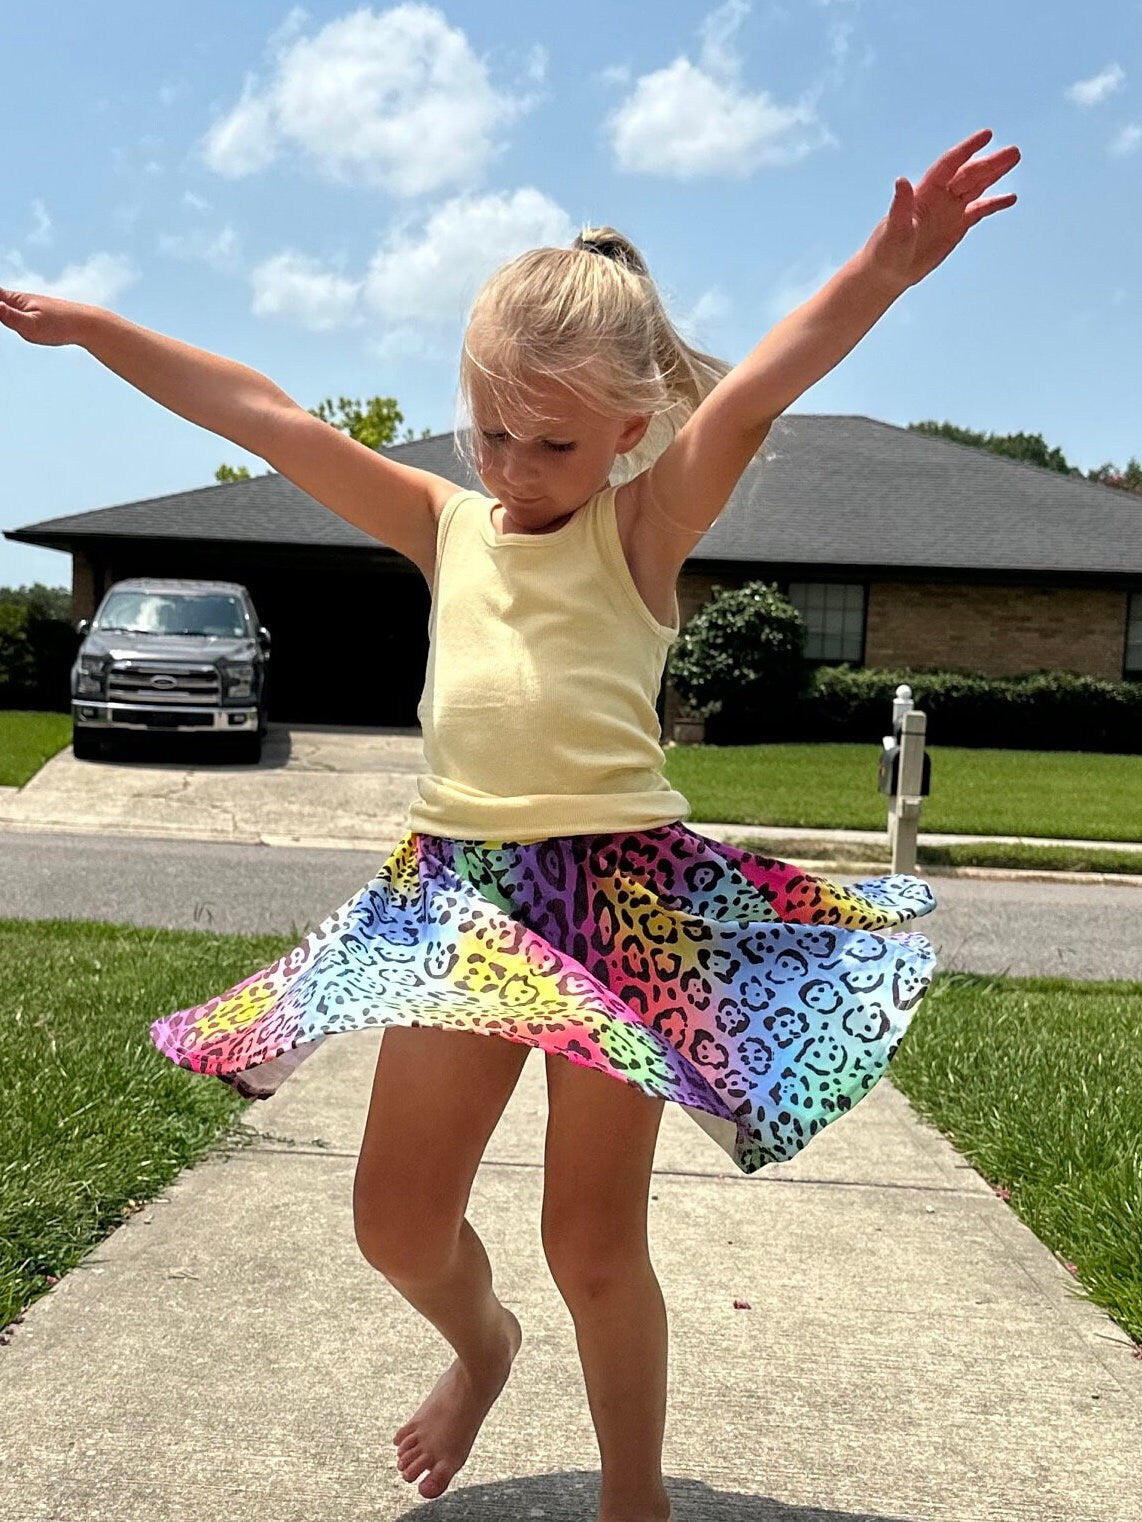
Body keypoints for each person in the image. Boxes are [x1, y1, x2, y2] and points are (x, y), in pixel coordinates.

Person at [0, 126, 1019, 1520]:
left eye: (552, 440)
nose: (516, 463)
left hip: (618, 909)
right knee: (393, 1220)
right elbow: (260, 412)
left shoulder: (642, 526)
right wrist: (95, 326)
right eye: (491, 429)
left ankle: (633, 1499)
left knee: (592, 1241)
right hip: (455, 905)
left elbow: (763, 386)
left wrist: (882, 270)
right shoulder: (443, 521)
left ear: (630, 428)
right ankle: (479, 1348)